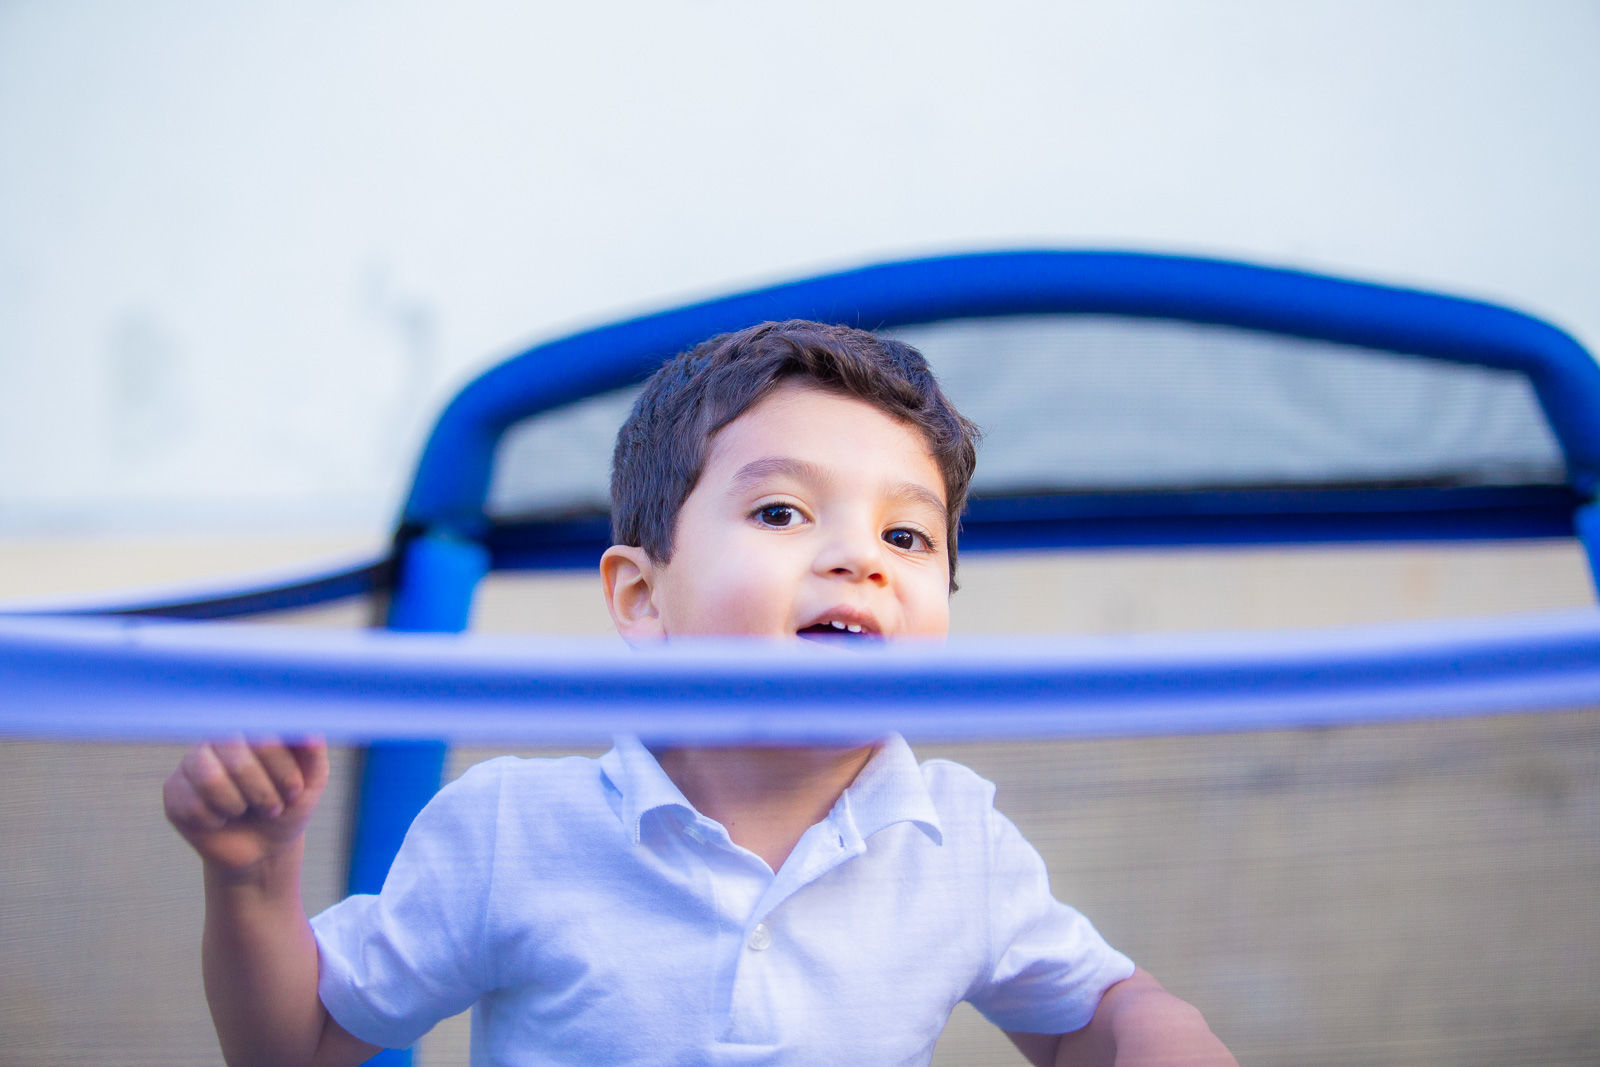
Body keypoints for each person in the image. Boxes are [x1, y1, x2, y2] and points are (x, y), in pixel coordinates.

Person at [164, 320, 1236, 1066]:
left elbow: (1082, 1018)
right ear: (641, 596)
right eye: (780, 512)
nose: (860, 558)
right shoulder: (510, 829)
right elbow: (297, 1041)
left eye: (905, 534)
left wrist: (1150, 1023)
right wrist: (253, 879)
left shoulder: (960, 841)